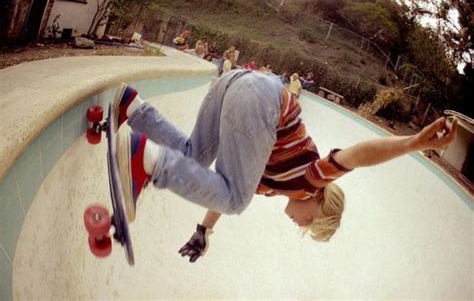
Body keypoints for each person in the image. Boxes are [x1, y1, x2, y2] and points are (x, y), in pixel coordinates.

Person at [111, 69, 458, 263]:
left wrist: (204, 231)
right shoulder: (311, 179)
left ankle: (133, 108)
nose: (298, 223)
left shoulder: (269, 186)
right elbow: (357, 154)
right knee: (236, 201)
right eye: (309, 222)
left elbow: (221, 185)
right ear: (319, 201)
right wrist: (414, 143)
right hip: (264, 100)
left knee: (195, 157)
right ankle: (150, 163)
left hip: (234, 83)